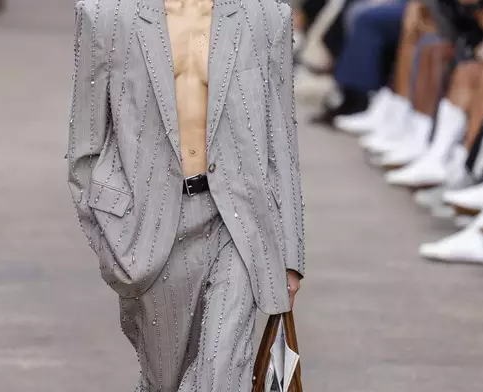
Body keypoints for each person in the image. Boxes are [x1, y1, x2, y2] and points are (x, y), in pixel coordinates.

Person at [67, 0, 305, 390]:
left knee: (221, 372)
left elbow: (282, 138)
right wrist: (112, 241)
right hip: (148, 225)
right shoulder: (105, 15)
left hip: (239, 223)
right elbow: (84, 150)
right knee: (165, 381)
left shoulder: (266, 16)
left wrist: (291, 253)